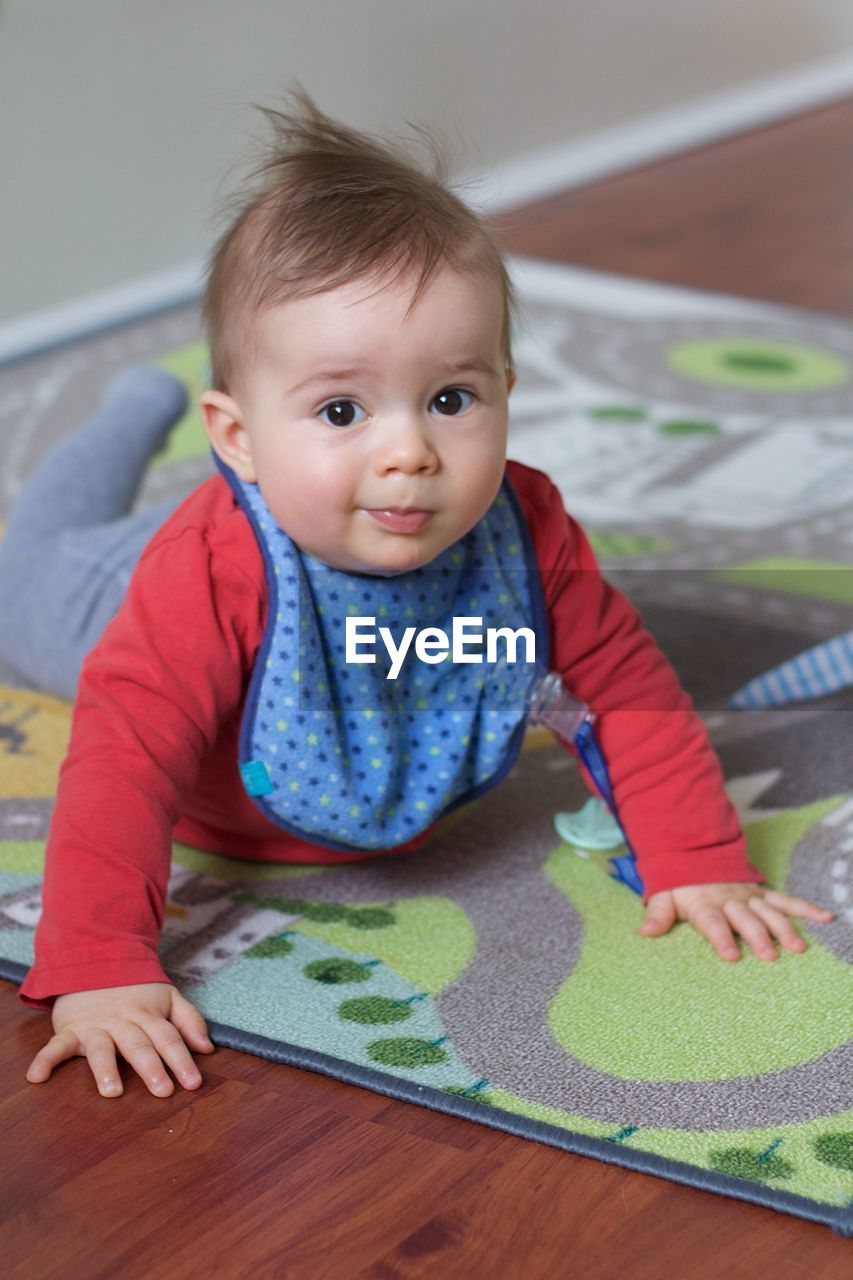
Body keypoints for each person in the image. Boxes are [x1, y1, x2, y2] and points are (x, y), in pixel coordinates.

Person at [0, 91, 833, 1101]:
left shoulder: (523, 534)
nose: (409, 452)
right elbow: (122, 754)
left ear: (506, 388)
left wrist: (696, 854)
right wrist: (100, 961)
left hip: (285, 561)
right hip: (116, 593)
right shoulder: (205, 572)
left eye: (450, 398)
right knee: (33, 562)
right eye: (342, 408)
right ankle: (136, 408)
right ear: (240, 438)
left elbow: (620, 686)